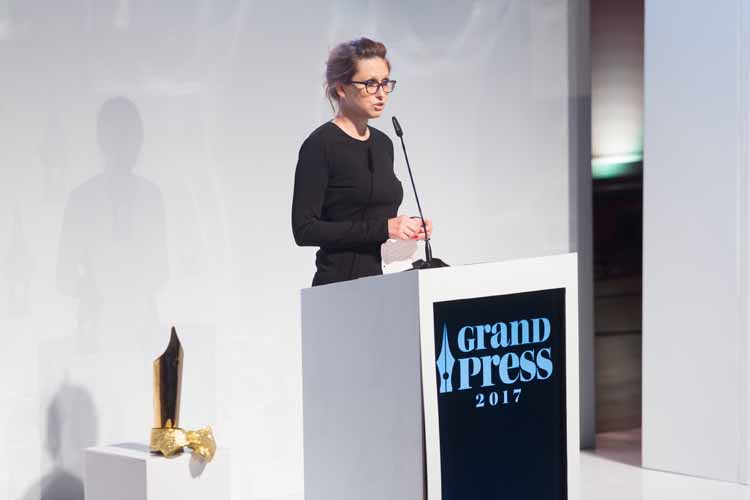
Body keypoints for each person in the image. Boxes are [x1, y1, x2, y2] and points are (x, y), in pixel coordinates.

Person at [292, 37, 433, 286]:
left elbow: (375, 215)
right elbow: (304, 229)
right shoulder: (320, 145)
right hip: (341, 287)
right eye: (370, 84)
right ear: (341, 88)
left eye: (385, 83)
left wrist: (408, 227)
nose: (381, 94)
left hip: (388, 283)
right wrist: (384, 228)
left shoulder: (383, 143)